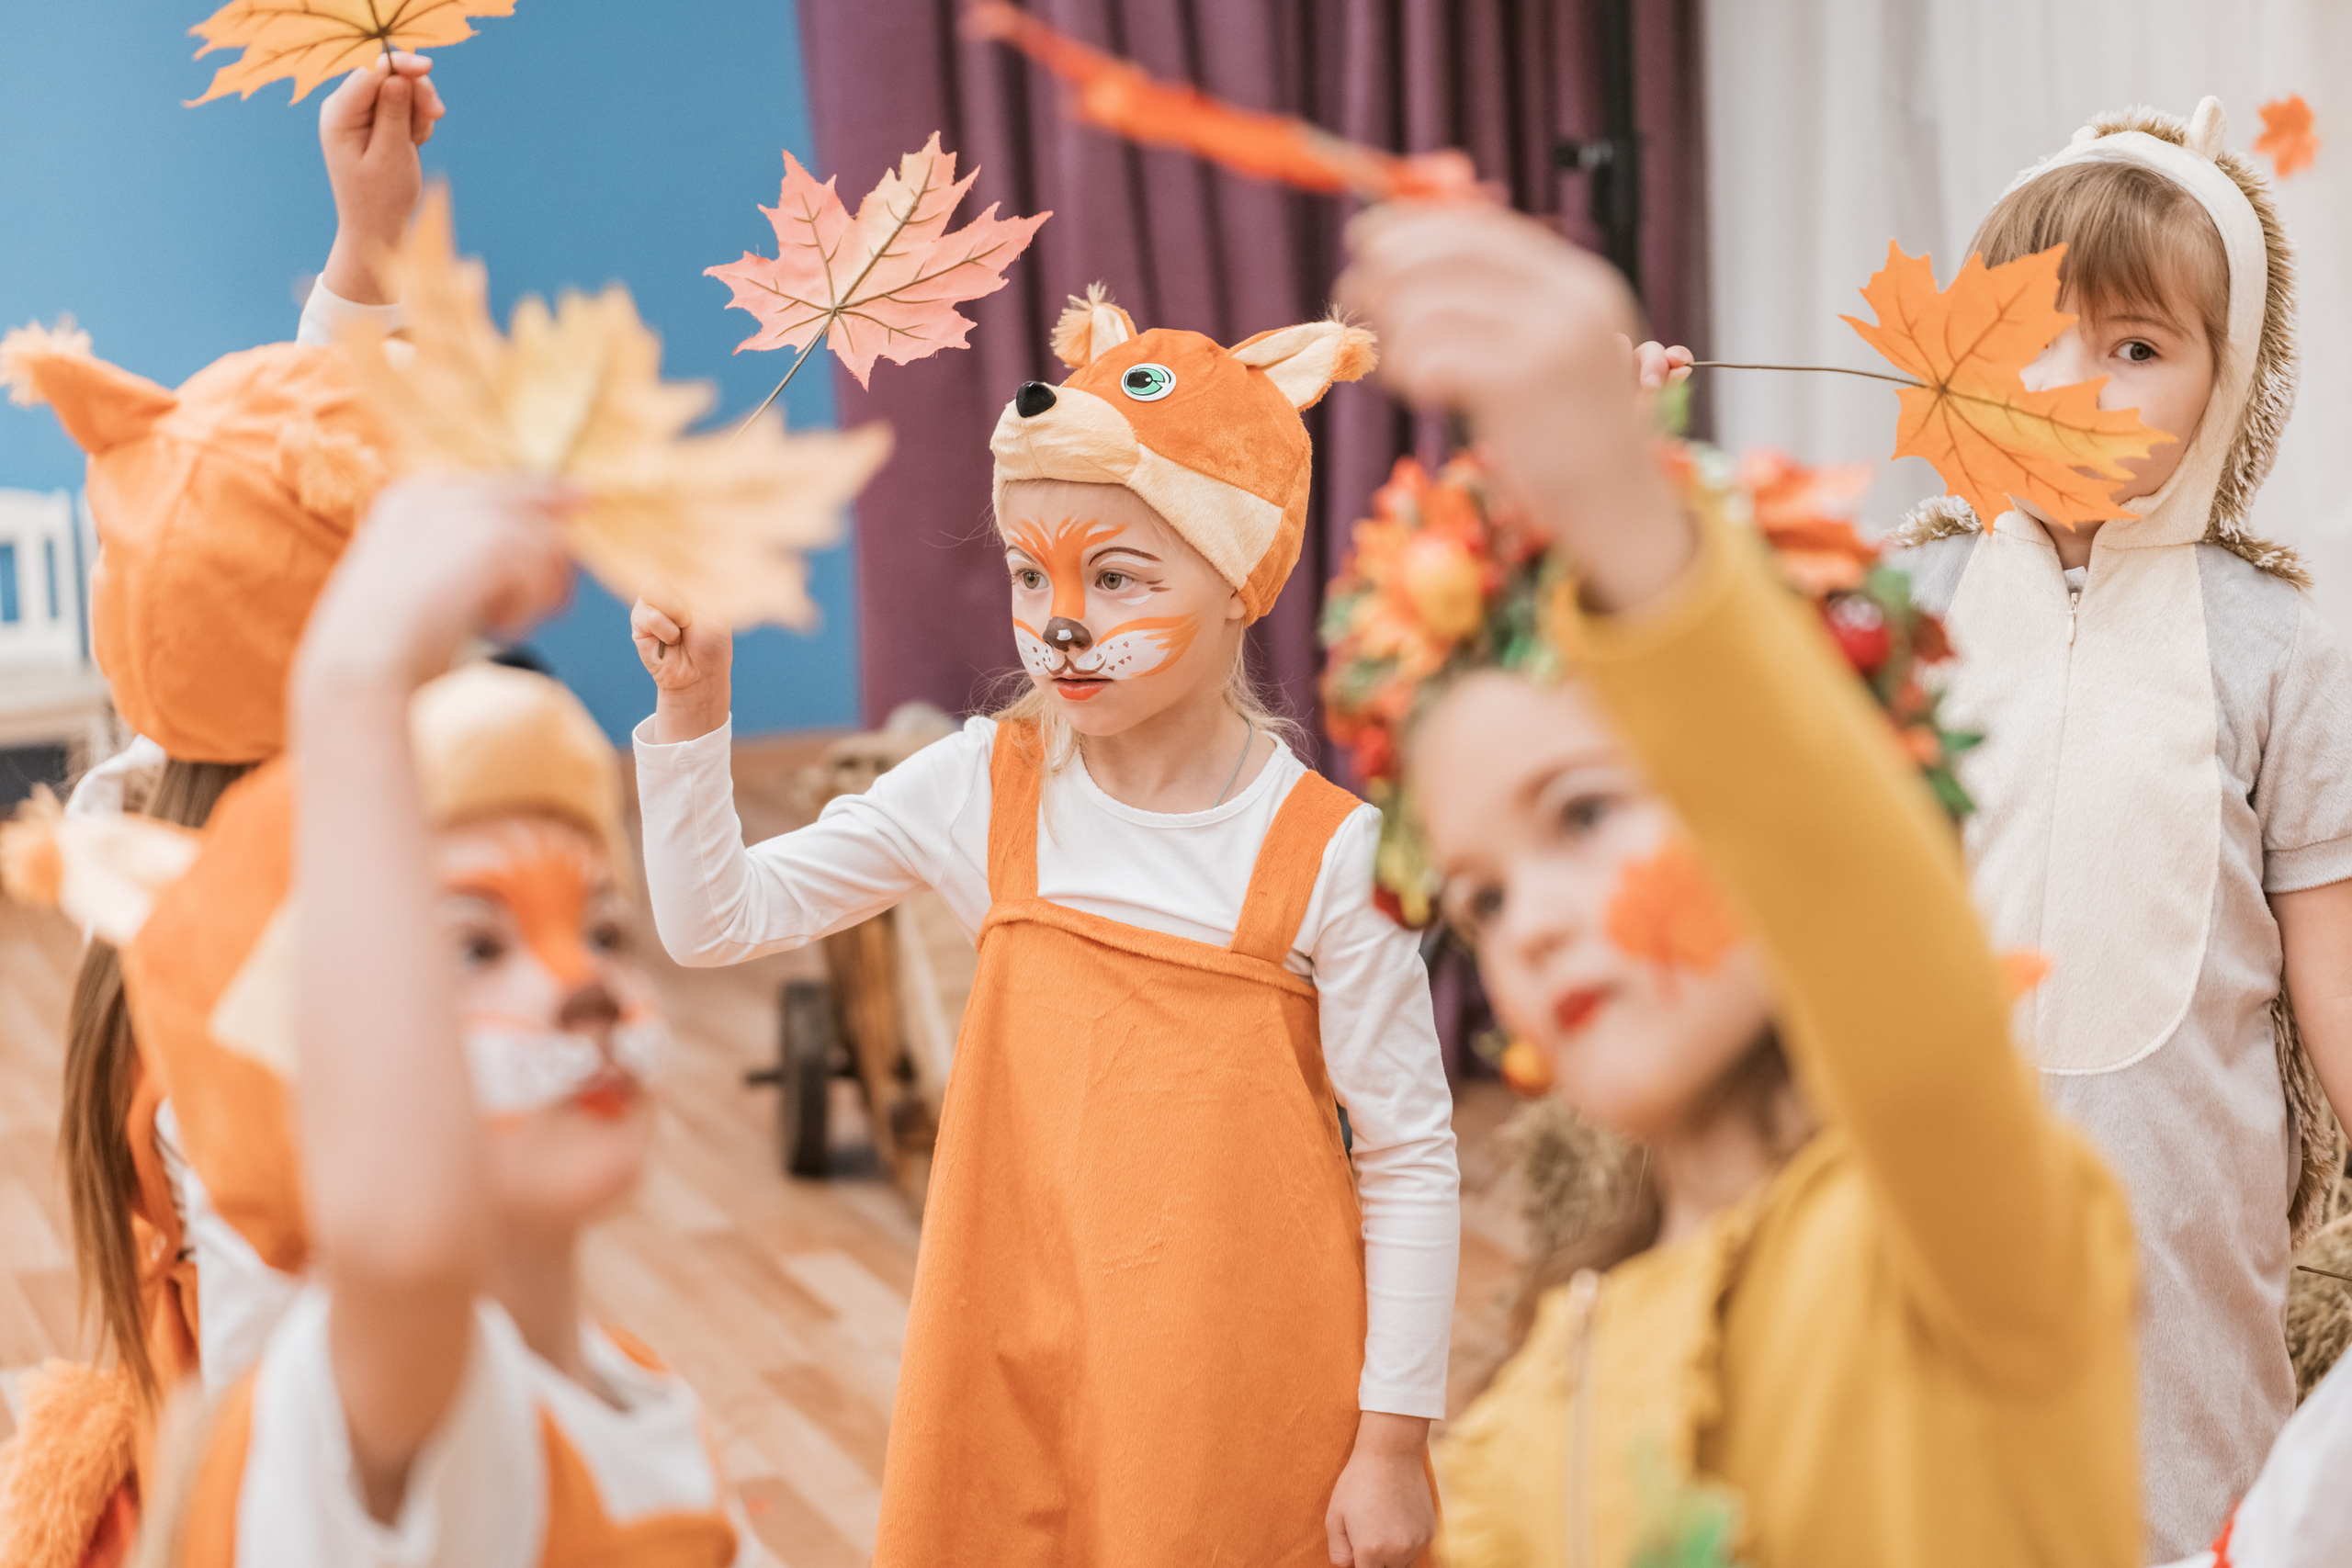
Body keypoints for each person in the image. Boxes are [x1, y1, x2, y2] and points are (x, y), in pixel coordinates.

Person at [1333, 203, 2140, 1566]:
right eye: (1479, 895)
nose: (1528, 917)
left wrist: (1624, 522)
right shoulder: (1536, 1402)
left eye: (1584, 811)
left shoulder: (1965, 1229)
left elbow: (1890, 960)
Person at [629, 289, 1459, 1567]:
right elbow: (712, 920)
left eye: (1118, 576)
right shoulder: (980, 784)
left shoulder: (1331, 853)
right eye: (1032, 573)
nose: (1062, 619)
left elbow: (1407, 1157)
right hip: (1016, 1357)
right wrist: (695, 710)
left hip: (1243, 1391)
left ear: (1242, 580)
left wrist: (1392, 1442)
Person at [130, 475, 762, 1565]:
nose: (586, 985)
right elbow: (404, 1241)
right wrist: (355, 681)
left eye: (604, 933)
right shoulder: (393, 1402)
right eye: (475, 948)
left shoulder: (630, 1387)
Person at [1888, 97, 2352, 1558]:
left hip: (2179, 1185)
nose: (2069, 386)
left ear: (2228, 381)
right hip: (1926, 1159)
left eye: (2134, 348)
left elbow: (2329, 958)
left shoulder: (2280, 641)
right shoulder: (1902, 611)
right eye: (2029, 337)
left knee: (2175, 1484)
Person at [0, 60, 435, 1566]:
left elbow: (254, 521)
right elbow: (289, 1382)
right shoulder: (284, 989)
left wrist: (365, 247)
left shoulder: (160, 789)